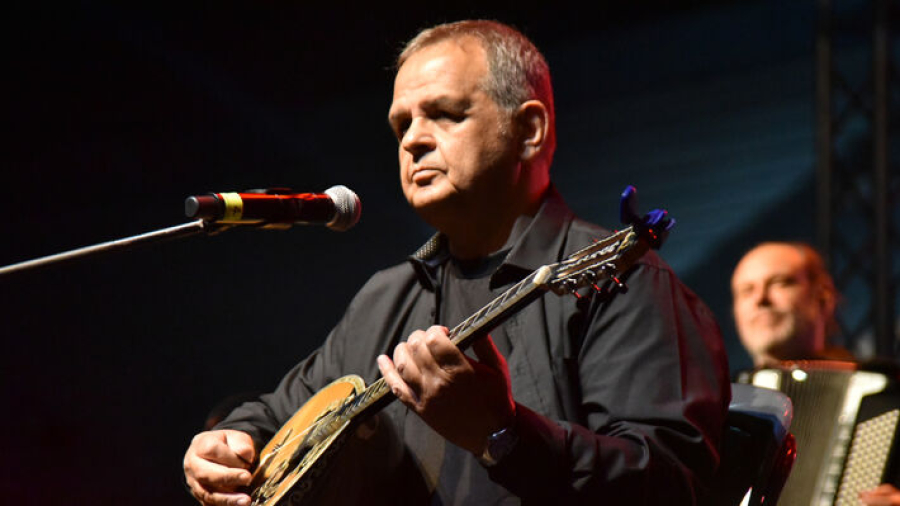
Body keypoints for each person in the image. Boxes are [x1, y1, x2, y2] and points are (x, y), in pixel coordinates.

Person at [183, 20, 730, 506]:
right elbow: (276, 412)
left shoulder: (625, 277)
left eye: (444, 115)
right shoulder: (386, 297)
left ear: (530, 129)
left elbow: (673, 485)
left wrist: (504, 435)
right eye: (401, 126)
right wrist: (231, 442)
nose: (413, 141)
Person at [731, 241, 900, 506]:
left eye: (780, 283)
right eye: (746, 290)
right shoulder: (721, 402)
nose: (761, 300)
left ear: (823, 297)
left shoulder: (885, 390)